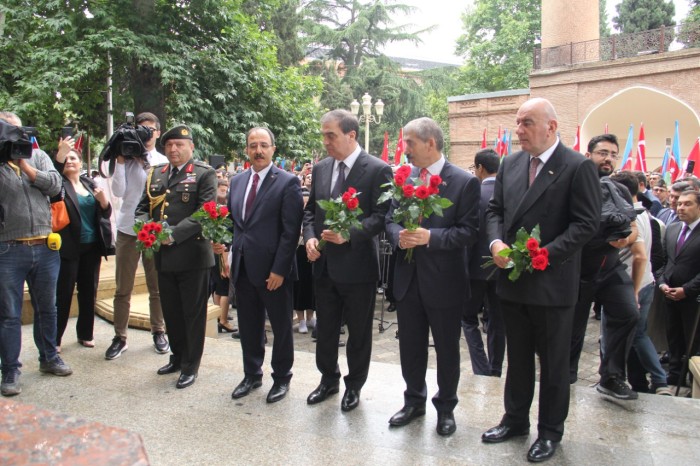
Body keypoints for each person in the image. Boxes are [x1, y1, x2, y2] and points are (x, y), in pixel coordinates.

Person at [482, 98, 600, 463]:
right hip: (513, 282)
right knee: (516, 358)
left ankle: (550, 431)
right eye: (518, 123)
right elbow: (495, 210)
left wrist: (543, 254)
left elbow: (586, 224)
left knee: (552, 364)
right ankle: (515, 420)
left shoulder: (576, 166)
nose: (519, 131)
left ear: (551, 126)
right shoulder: (511, 163)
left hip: (552, 283)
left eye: (526, 123)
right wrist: (496, 241)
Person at [385, 117, 480, 436]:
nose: (405, 149)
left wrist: (431, 237)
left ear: (430, 143)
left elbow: (469, 232)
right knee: (410, 346)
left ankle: (446, 407)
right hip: (407, 280)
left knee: (447, 348)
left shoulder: (464, 182)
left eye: (409, 142)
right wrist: (398, 235)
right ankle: (414, 401)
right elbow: (390, 219)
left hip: (445, 282)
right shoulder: (404, 178)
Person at [303, 109, 392, 412]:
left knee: (358, 331)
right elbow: (310, 213)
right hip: (324, 265)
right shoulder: (321, 168)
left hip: (358, 267)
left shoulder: (377, 169)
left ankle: (354, 385)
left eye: (332, 135)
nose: (326, 141)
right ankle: (328, 380)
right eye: (323, 135)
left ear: (351, 135)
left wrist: (350, 233)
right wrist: (311, 236)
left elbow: (382, 217)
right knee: (325, 329)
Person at [224, 127, 303, 403]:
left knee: (281, 327)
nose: (258, 150)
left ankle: (281, 378)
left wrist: (279, 269)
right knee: (248, 324)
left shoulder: (287, 182)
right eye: (252, 145)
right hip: (243, 267)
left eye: (263, 145)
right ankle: (251, 374)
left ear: (273, 149)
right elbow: (235, 224)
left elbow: (290, 232)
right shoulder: (236, 181)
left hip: (274, 272)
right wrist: (225, 248)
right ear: (246, 149)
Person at [135, 125, 216, 389]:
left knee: (192, 314)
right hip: (163, 256)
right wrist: (145, 228)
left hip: (192, 255)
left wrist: (173, 235)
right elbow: (142, 208)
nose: (173, 149)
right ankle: (177, 357)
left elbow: (205, 211)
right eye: (169, 145)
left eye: (179, 145)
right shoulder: (156, 174)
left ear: (191, 147)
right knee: (171, 311)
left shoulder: (204, 174)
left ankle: (191, 366)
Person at [0, 112, 73, 398]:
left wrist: (26, 166)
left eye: (18, 131)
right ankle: (10, 370)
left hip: (45, 246)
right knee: (8, 314)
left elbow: (56, 188)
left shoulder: (38, 155)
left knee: (48, 307)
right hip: (8, 247)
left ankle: (49, 358)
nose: (15, 137)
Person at [569, 134, 640, 399]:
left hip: (610, 267)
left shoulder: (620, 189)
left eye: (613, 154)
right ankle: (564, 378)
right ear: (589, 156)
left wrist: (624, 239)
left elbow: (633, 229)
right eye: (602, 153)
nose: (608, 158)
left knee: (628, 313)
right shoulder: (572, 186)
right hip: (579, 269)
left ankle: (611, 376)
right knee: (571, 331)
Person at [107, 112, 169, 360]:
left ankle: (159, 331)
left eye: (151, 130)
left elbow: (162, 191)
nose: (147, 134)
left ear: (158, 132)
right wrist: (121, 159)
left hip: (152, 230)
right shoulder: (126, 156)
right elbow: (119, 191)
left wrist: (145, 162)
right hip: (127, 228)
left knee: (156, 287)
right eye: (142, 129)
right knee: (123, 288)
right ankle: (120, 337)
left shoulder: (162, 160)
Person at [609, 171, 672, 395]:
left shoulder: (630, 216)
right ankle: (649, 379)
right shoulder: (645, 213)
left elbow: (641, 256)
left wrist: (633, 291)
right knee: (637, 334)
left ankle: (658, 380)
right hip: (645, 282)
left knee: (629, 335)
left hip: (631, 284)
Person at [53, 141, 113, 350]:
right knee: (63, 293)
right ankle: (55, 339)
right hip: (68, 248)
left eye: (73, 158)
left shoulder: (89, 183)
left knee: (89, 292)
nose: (70, 161)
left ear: (80, 163)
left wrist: (104, 201)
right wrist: (59, 156)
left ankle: (85, 334)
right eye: (66, 159)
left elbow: (105, 213)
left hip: (92, 247)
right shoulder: (58, 184)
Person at [461, 148, 505, 377]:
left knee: (468, 319)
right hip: (501, 268)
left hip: (474, 269)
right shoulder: (510, 194)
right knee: (498, 321)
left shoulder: (473, 194)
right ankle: (495, 369)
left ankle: (481, 367)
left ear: (479, 167)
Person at [657, 189, 700, 387]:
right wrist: (663, 282)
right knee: (673, 337)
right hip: (670, 294)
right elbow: (666, 261)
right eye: (680, 203)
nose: (681, 207)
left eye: (687, 204)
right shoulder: (673, 229)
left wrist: (687, 290)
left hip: (693, 299)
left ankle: (692, 378)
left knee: (693, 341)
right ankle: (674, 375)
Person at [213, 178, 235, 333]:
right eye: (221, 187)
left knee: (220, 289)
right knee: (223, 288)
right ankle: (222, 319)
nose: (224, 189)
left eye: (225, 187)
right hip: (221, 250)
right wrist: (225, 259)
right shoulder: (220, 210)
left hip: (220, 249)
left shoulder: (226, 207)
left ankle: (218, 318)